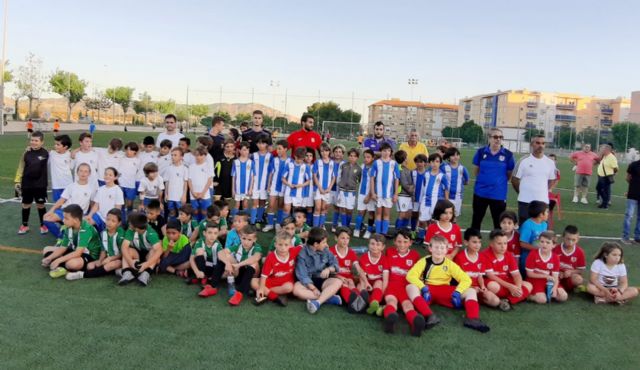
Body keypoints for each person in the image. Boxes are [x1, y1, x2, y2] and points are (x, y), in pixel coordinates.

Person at [406, 234, 490, 333]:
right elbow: (410, 276)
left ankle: (472, 319)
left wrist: (458, 292)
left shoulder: (450, 264)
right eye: (436, 247)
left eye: (442, 248)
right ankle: (429, 316)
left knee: (471, 291)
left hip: (444, 290)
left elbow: (466, 279)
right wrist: (423, 288)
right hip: (427, 291)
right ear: (430, 248)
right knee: (410, 287)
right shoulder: (424, 261)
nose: (439, 250)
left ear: (446, 250)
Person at [381, 230, 428, 336]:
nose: (402, 244)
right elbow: (386, 271)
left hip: (406, 287)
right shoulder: (389, 252)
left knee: (408, 305)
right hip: (392, 285)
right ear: (394, 241)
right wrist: (384, 289)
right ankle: (390, 320)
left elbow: (418, 275)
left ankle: (415, 323)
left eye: (405, 242)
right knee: (391, 302)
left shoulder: (415, 256)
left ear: (410, 242)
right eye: (399, 241)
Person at [470, 128, 515, 230]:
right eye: (495, 137)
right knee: (476, 220)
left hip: (498, 195)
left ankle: (498, 244)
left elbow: (509, 174)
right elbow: (476, 171)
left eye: (500, 137)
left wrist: (497, 183)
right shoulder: (481, 152)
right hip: (480, 193)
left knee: (498, 223)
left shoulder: (508, 155)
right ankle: (473, 243)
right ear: (489, 138)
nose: (498, 139)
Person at [42, 204, 102, 279]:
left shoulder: (86, 229)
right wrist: (50, 258)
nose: (63, 220)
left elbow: (78, 253)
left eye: (66, 218)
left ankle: (63, 267)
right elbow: (63, 247)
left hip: (89, 255)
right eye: (63, 218)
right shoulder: (69, 227)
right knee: (46, 250)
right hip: (76, 250)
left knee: (72, 264)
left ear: (76, 220)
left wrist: (58, 260)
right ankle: (62, 265)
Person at [293, 227, 343, 314]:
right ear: (316, 244)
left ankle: (317, 302)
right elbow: (303, 276)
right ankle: (327, 298)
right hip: (307, 282)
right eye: (324, 242)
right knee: (296, 290)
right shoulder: (302, 254)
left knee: (338, 282)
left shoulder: (325, 250)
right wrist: (313, 288)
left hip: (321, 278)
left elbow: (335, 264)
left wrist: (329, 269)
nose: (326, 245)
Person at [64, 208, 124, 280]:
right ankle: (113, 271)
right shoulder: (103, 232)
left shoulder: (121, 234)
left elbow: (123, 252)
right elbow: (103, 250)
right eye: (107, 219)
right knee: (90, 266)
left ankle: (81, 274)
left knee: (114, 264)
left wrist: (110, 258)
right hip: (107, 258)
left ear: (119, 223)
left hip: (120, 259)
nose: (109, 223)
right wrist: (100, 260)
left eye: (113, 221)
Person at [43, 163, 96, 238]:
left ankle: (68, 233)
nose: (83, 173)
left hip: (79, 214)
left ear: (89, 173)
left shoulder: (92, 188)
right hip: (65, 211)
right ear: (77, 172)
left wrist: (89, 215)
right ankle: (62, 238)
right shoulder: (71, 186)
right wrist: (51, 210)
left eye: (85, 171)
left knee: (82, 227)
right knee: (46, 219)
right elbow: (62, 200)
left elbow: (92, 204)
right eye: (81, 171)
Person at [511, 135, 556, 224]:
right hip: (525, 201)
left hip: (543, 202)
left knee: (542, 232)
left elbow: (551, 180)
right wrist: (523, 192)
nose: (540, 145)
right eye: (537, 143)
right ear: (532, 144)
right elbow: (514, 180)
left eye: (543, 143)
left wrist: (542, 191)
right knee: (524, 230)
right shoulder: (523, 161)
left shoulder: (550, 163)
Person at [483, 229, 532, 310]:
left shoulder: (509, 255)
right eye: (499, 243)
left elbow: (516, 274)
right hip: (495, 282)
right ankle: (516, 298)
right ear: (491, 244)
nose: (503, 246)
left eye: (505, 243)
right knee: (492, 286)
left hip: (507, 282)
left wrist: (518, 287)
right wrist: (510, 287)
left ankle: (507, 301)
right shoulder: (485, 254)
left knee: (528, 285)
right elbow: (490, 276)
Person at [454, 228, 501, 308]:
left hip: (478, 288)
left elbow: (480, 276)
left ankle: (476, 300)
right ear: (466, 242)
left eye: (479, 242)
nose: (478, 245)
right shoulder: (459, 257)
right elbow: (457, 280)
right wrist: (471, 288)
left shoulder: (482, 257)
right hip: (465, 288)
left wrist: (482, 287)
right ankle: (470, 300)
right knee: (469, 297)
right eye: (474, 242)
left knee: (495, 301)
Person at [220, 225, 264, 306]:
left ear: (254, 239)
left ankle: (239, 294)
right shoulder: (238, 246)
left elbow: (256, 257)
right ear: (240, 237)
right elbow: (221, 252)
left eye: (249, 239)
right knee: (228, 256)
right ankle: (215, 281)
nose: (246, 242)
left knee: (254, 263)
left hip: (252, 277)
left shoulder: (257, 247)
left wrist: (239, 265)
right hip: (239, 274)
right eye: (244, 239)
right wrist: (227, 263)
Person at [256, 230, 302, 306]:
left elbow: (303, 246)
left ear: (290, 245)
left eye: (286, 245)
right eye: (280, 244)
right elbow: (264, 275)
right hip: (272, 280)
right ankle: (274, 296)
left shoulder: (293, 251)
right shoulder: (270, 257)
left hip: (286, 282)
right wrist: (261, 288)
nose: (283, 248)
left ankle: (266, 292)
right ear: (275, 245)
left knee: (290, 287)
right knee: (253, 282)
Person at [16, 131, 50, 235]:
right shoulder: (26, 152)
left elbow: (59, 152)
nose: (33, 142)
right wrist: (17, 180)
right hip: (27, 184)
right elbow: (21, 166)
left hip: (40, 184)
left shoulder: (46, 153)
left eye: (36, 140)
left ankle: (43, 225)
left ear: (42, 142)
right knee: (26, 204)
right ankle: (24, 225)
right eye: (32, 140)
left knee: (40, 205)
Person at [118, 211, 163, 286]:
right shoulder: (131, 230)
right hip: (137, 255)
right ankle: (127, 273)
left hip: (148, 256)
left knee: (154, 252)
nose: (129, 224)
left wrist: (146, 264)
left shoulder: (150, 233)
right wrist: (130, 262)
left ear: (135, 227)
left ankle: (146, 274)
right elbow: (124, 247)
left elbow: (160, 250)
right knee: (128, 249)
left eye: (130, 223)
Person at [329, 227, 367, 313]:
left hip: (348, 278)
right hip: (336, 278)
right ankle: (351, 303)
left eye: (348, 238)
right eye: (342, 238)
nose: (345, 241)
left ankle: (360, 302)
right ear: (336, 238)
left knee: (351, 283)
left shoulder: (351, 252)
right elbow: (326, 270)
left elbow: (358, 268)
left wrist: (366, 282)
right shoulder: (330, 251)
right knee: (344, 285)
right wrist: (338, 276)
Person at [525, 231, 568, 304]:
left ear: (553, 245)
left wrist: (554, 288)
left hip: (549, 281)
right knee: (542, 300)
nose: (544, 244)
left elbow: (555, 277)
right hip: (535, 279)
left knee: (563, 296)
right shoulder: (533, 254)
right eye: (542, 241)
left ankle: (545, 292)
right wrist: (545, 276)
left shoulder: (555, 257)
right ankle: (528, 296)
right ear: (539, 242)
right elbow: (529, 274)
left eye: (548, 242)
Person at [417, 154, 448, 242]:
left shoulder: (442, 175)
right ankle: (422, 237)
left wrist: (446, 201)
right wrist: (420, 199)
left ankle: (433, 238)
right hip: (425, 200)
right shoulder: (426, 174)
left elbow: (446, 188)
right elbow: (424, 187)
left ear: (440, 163)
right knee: (422, 220)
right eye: (432, 161)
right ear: (429, 163)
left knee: (434, 220)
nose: (434, 164)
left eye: (437, 161)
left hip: (436, 201)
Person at [370, 142, 400, 235]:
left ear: (391, 152)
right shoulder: (376, 163)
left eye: (388, 150)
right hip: (378, 194)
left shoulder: (393, 163)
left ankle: (384, 233)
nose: (386, 152)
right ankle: (378, 232)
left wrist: (395, 194)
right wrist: (373, 192)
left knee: (386, 214)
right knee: (378, 214)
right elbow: (372, 179)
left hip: (388, 195)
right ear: (381, 152)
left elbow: (396, 179)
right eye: (384, 150)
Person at [189, 222, 225, 298]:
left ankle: (212, 286)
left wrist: (227, 264)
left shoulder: (218, 244)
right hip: (203, 268)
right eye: (210, 233)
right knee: (199, 252)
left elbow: (222, 256)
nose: (212, 236)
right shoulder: (199, 241)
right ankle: (202, 277)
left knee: (222, 261)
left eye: (215, 233)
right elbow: (191, 259)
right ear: (204, 233)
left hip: (214, 269)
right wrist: (197, 271)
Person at [357, 233, 388, 315]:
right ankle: (363, 303)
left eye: (378, 244)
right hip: (367, 280)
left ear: (383, 247)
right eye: (372, 244)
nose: (375, 247)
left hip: (378, 281)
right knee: (359, 286)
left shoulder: (384, 259)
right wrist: (365, 284)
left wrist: (383, 292)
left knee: (379, 283)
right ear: (368, 244)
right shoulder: (364, 257)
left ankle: (373, 303)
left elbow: (385, 278)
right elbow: (361, 275)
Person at [86, 167, 124, 232]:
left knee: (105, 237)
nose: (107, 176)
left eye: (110, 175)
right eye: (106, 174)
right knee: (85, 223)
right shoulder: (100, 189)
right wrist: (90, 215)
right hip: (99, 216)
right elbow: (96, 205)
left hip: (110, 219)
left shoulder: (118, 190)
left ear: (115, 177)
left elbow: (117, 209)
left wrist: (110, 221)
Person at [263, 139, 290, 232]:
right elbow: (270, 173)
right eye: (277, 149)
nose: (277, 151)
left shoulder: (290, 161)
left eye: (279, 149)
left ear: (285, 149)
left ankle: (278, 224)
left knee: (281, 206)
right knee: (271, 205)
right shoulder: (274, 160)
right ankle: (270, 224)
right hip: (274, 185)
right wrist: (269, 185)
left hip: (284, 187)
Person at [518, 201, 549, 276]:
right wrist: (537, 248)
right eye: (547, 212)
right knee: (526, 274)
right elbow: (522, 243)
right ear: (541, 214)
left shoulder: (544, 224)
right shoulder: (528, 225)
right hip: (527, 256)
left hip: (539, 254)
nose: (548, 214)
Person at [553, 225, 586, 292]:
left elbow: (581, 270)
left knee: (578, 279)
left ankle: (570, 287)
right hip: (557, 275)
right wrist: (558, 272)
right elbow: (549, 266)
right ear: (563, 237)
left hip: (569, 276)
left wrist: (570, 272)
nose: (570, 242)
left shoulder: (580, 252)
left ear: (578, 239)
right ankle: (558, 287)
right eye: (568, 239)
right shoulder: (555, 249)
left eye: (573, 240)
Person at [337, 148, 362, 231]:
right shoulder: (343, 165)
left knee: (349, 210)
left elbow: (360, 180)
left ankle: (347, 225)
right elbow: (339, 176)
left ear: (357, 158)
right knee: (343, 209)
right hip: (342, 190)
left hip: (351, 192)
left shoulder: (358, 169)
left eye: (354, 156)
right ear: (348, 157)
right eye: (351, 156)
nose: (352, 158)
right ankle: (344, 227)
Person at [282, 147, 311, 217]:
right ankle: (285, 226)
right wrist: (289, 184)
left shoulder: (306, 167)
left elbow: (308, 181)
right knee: (286, 209)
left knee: (296, 210)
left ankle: (295, 226)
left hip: (299, 192)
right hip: (289, 191)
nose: (299, 160)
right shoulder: (289, 165)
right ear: (295, 156)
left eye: (301, 159)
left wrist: (301, 185)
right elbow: (283, 178)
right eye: (298, 158)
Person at [250, 134, 272, 225]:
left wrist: (269, 185)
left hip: (265, 183)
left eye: (263, 143)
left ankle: (259, 218)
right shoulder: (253, 155)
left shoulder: (270, 156)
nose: (261, 145)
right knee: (255, 202)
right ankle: (252, 221)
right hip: (254, 183)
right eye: (259, 143)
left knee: (262, 202)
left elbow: (271, 171)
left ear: (266, 144)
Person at [312, 143, 336, 228]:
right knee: (317, 208)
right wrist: (320, 188)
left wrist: (329, 188)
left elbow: (334, 177)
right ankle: (315, 228)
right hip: (319, 189)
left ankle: (321, 226)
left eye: (326, 150)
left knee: (323, 208)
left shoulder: (332, 163)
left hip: (327, 190)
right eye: (322, 151)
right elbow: (315, 176)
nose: (324, 153)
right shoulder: (317, 162)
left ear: (329, 151)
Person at [189, 147, 214, 222]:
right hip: (194, 194)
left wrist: (203, 193)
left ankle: (204, 227)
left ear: (205, 156)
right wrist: (193, 192)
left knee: (205, 212)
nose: (198, 157)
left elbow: (210, 180)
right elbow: (189, 180)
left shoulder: (208, 166)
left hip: (205, 194)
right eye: (196, 155)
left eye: (200, 155)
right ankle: (195, 228)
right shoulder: (191, 166)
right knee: (195, 212)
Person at [354, 149, 375, 239]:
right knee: (361, 212)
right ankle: (357, 229)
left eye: (368, 157)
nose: (366, 159)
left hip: (371, 194)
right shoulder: (362, 166)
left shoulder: (375, 168)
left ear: (373, 158)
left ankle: (369, 230)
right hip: (362, 193)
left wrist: (369, 195)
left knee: (371, 213)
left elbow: (375, 183)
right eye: (365, 157)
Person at [442, 147, 469, 217]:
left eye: (457, 155)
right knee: (445, 215)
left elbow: (467, 181)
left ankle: (453, 227)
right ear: (448, 157)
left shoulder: (462, 168)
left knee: (454, 216)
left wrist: (461, 185)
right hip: (445, 196)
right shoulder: (444, 168)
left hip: (458, 196)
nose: (455, 157)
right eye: (453, 155)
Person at [118, 142, 140, 224]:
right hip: (121, 185)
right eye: (127, 149)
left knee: (130, 204)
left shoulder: (138, 160)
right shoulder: (121, 158)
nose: (128, 151)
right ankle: (123, 221)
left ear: (135, 151)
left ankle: (130, 220)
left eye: (131, 150)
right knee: (121, 204)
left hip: (130, 185)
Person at [164, 147, 188, 220]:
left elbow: (185, 183)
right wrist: (166, 194)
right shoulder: (169, 168)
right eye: (172, 155)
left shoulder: (184, 169)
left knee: (180, 213)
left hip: (179, 196)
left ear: (181, 157)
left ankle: (180, 227)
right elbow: (167, 182)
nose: (173, 157)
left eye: (175, 155)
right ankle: (171, 226)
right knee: (171, 212)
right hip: (171, 196)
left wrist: (184, 195)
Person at [231, 142, 254, 217]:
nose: (246, 151)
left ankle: (245, 219)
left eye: (247, 150)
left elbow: (252, 177)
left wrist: (250, 189)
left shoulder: (251, 162)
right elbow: (233, 177)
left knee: (245, 204)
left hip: (246, 188)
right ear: (239, 151)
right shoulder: (235, 162)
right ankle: (235, 219)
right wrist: (233, 189)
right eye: (244, 150)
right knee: (237, 204)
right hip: (237, 188)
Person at [48, 134, 73, 202]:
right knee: (57, 206)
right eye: (55, 144)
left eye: (58, 144)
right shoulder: (51, 154)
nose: (55, 146)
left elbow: (72, 167)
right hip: (56, 186)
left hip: (68, 185)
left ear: (65, 147)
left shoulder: (70, 155)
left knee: (69, 207)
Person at [622, 157, 640, 244]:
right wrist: (634, 185)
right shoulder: (634, 165)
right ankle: (625, 237)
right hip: (633, 194)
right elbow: (628, 178)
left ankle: (638, 237)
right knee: (629, 216)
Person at [394, 150, 414, 232]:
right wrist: (412, 191)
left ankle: (403, 229)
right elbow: (404, 184)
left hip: (407, 195)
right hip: (402, 195)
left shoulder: (406, 169)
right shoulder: (401, 170)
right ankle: (398, 230)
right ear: (404, 159)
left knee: (408, 213)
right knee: (402, 213)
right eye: (406, 157)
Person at [596, 143, 618, 209]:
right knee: (599, 189)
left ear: (607, 150)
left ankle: (605, 204)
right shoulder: (605, 156)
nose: (601, 150)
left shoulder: (612, 157)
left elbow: (615, 168)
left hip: (606, 177)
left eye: (602, 149)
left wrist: (612, 174)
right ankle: (604, 203)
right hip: (601, 176)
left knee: (603, 190)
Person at [329, 145, 345, 231]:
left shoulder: (345, 164)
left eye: (340, 152)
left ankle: (334, 224)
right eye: (336, 152)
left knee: (337, 207)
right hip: (329, 188)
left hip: (340, 189)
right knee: (326, 206)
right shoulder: (330, 162)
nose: (338, 154)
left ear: (343, 154)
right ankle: (321, 224)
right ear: (333, 153)